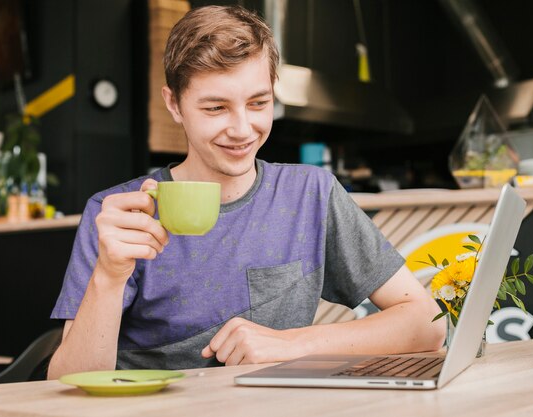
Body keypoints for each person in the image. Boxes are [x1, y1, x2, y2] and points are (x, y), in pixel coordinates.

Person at [47, 5, 444, 379]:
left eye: (258, 103)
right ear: (174, 104)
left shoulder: (311, 193)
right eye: (216, 108)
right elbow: (65, 385)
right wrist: (109, 276)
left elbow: (426, 324)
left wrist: (289, 344)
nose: (242, 129)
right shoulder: (118, 214)